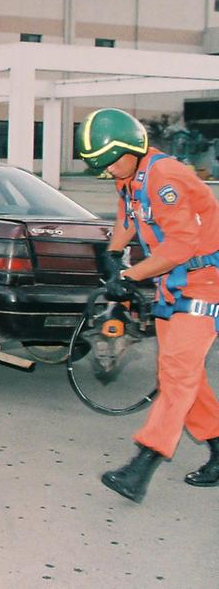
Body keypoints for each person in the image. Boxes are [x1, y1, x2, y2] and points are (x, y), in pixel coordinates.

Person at [75, 107, 219, 503]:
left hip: (206, 283)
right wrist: (113, 253)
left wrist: (129, 276)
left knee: (177, 375)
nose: (106, 172)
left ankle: (142, 465)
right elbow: (129, 216)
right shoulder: (130, 176)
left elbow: (181, 245)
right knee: (185, 375)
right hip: (175, 284)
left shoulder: (165, 176)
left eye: (108, 163)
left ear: (131, 148)